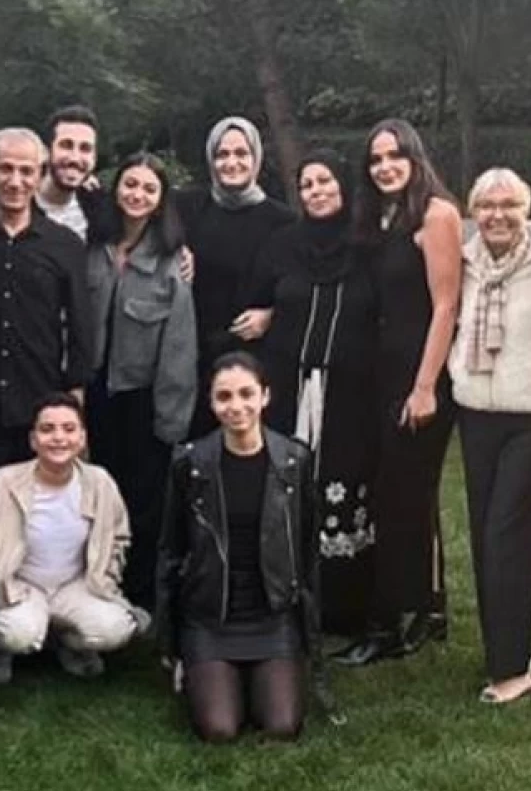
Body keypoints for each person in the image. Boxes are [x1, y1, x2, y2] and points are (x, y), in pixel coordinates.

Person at [336, 120, 461, 667]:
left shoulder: (437, 214)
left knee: (400, 499)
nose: (385, 166)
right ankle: (430, 606)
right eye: (376, 159)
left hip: (420, 376)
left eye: (395, 156)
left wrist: (426, 386)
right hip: (379, 375)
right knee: (404, 495)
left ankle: (389, 624)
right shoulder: (381, 218)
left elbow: (446, 305)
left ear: (415, 157)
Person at [155, 352, 320, 744]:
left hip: (272, 616)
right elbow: (170, 550)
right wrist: (169, 643)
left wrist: (307, 634)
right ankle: (202, 668)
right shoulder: (189, 464)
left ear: (265, 396)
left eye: (246, 393)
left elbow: (307, 551)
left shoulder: (294, 461)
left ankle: (266, 671)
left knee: (282, 726)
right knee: (219, 729)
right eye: (224, 396)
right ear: (211, 403)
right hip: (209, 617)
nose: (236, 406)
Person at [246, 149, 378, 636]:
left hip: (350, 395)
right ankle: (279, 598)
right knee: (284, 485)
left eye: (325, 181)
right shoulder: (282, 245)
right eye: (306, 184)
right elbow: (256, 300)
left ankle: (342, 609)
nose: (316, 191)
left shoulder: (367, 245)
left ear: (343, 185)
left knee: (342, 486)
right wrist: (266, 315)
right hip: (286, 388)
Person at [448, 168, 531, 704]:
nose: (497, 215)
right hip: (476, 414)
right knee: (484, 536)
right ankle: (510, 650)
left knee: (508, 539)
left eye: (508, 205)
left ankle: (511, 671)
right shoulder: (465, 261)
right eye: (486, 206)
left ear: (527, 209)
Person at [0, 394, 146, 684]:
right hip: (21, 586)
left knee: (114, 629)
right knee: (17, 635)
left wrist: (106, 577)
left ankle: (67, 643)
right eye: (47, 429)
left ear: (82, 438)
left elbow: (119, 538)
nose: (59, 438)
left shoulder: (100, 482)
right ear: (33, 440)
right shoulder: (3, 482)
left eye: (69, 429)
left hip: (76, 585)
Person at [84, 152, 196, 608]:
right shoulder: (92, 246)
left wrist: (171, 421)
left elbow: (179, 347)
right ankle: (91, 588)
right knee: (90, 495)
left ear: (161, 200)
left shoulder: (171, 263)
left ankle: (139, 597)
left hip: (142, 401)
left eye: (150, 188)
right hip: (91, 394)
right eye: (130, 184)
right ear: (116, 189)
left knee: (141, 503)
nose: (138, 195)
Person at [0, 128, 93, 490]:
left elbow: (80, 326)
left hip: (40, 404)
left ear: (40, 175)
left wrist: (75, 400)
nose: (16, 181)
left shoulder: (65, 245)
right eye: (5, 169)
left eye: (26, 171)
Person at [179, 116, 294, 436]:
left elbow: (300, 286)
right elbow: (136, 207)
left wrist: (272, 315)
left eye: (241, 153)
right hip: (196, 355)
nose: (232, 162)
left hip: (256, 357)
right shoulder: (188, 209)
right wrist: (176, 247)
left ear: (256, 157)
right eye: (222, 154)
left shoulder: (283, 221)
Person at [36, 105, 105, 240]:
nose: (75, 158)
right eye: (66, 145)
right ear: (46, 151)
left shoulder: (98, 211)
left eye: (85, 148)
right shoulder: (19, 203)